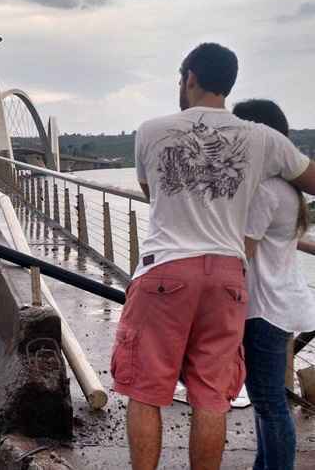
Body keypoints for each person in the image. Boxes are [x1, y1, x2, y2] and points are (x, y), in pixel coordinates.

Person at [111, 42, 315, 470]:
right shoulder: (264, 138)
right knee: (212, 395)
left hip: (166, 270)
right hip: (227, 278)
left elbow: (157, 197)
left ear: (190, 78)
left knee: (146, 391)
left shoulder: (151, 130)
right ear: (230, 82)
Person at [232, 99, 315, 470]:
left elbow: (242, 252)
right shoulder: (288, 188)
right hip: (279, 302)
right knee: (267, 401)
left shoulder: (265, 190)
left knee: (268, 401)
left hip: (263, 308)